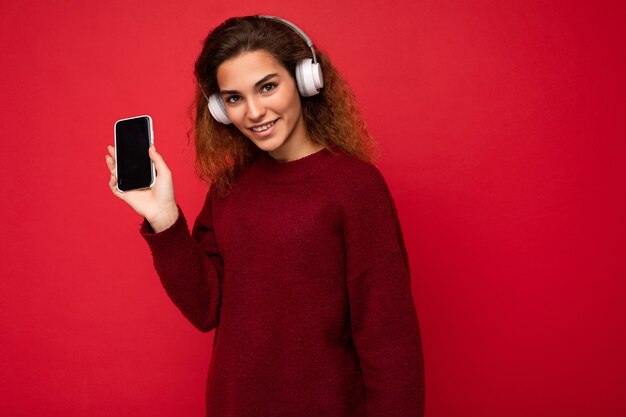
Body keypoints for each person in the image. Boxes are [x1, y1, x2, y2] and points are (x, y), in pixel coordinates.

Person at [105, 15, 424, 417]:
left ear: (306, 80)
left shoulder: (356, 187)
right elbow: (206, 309)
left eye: (268, 87)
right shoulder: (230, 189)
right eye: (234, 98)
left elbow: (389, 337)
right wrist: (164, 218)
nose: (254, 112)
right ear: (220, 109)